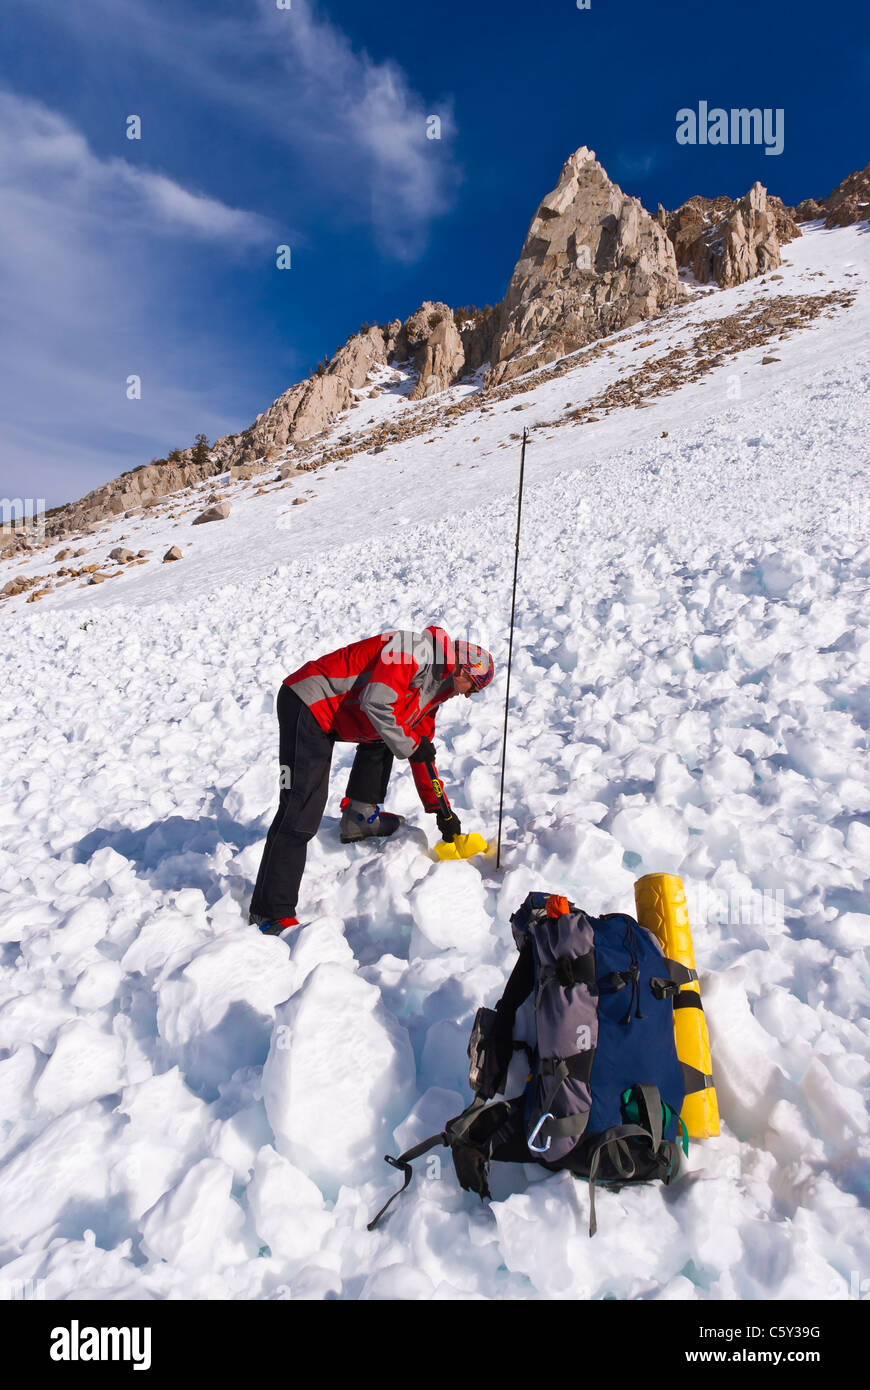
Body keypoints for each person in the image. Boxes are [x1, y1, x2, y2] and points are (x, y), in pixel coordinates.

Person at [249, 626, 494, 935]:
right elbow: (376, 702)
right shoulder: (412, 648)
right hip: (309, 703)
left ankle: (359, 818)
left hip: (342, 716)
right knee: (300, 810)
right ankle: (270, 911)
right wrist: (411, 746)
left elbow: (421, 754)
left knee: (391, 736)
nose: (469, 695)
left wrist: (442, 812)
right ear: (461, 667)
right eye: (472, 686)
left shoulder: (433, 694)